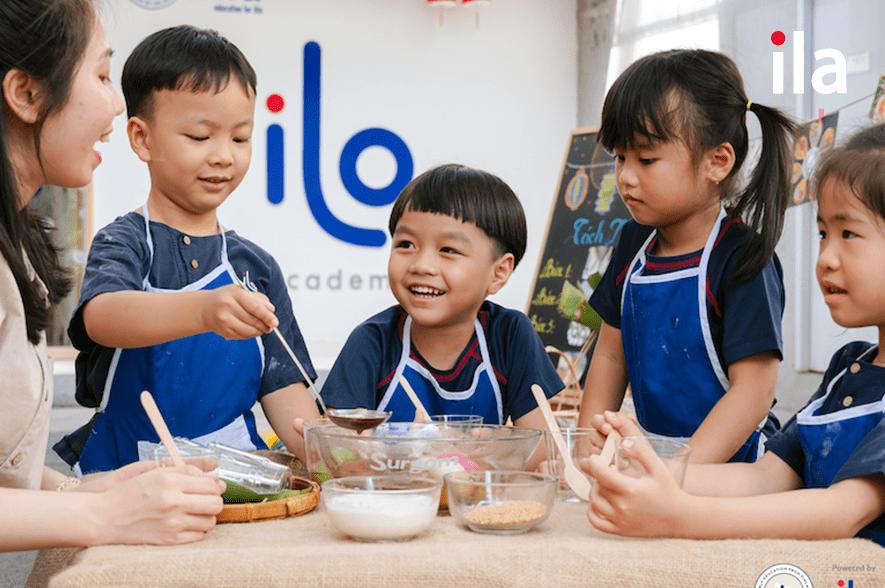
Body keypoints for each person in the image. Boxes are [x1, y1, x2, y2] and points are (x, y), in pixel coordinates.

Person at [586, 124, 885, 544]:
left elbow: (840, 511)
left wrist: (679, 515)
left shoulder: (737, 255)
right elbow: (767, 477)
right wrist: (651, 471)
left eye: (848, 233)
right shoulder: (846, 370)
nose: (825, 258)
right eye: (823, 234)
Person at [1, 0, 224, 551]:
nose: (116, 103)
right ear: (26, 94)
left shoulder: (16, 253)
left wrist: (91, 492)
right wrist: (103, 518)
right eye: (101, 74)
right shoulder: (123, 241)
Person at [54, 25, 320, 474]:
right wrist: (203, 310)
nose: (223, 156)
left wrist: (332, 454)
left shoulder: (255, 268)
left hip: (237, 477)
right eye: (200, 137)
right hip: (126, 475)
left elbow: (284, 389)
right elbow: (102, 317)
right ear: (142, 139)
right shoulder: (127, 242)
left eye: (240, 138)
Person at [577, 49, 796, 463]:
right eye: (620, 158)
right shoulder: (632, 244)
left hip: (738, 470)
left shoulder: (742, 257)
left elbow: (754, 392)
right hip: (659, 461)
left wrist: (682, 473)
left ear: (718, 161)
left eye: (646, 159)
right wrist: (590, 443)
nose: (625, 177)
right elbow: (609, 353)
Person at [318, 164, 563, 427]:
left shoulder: (510, 336)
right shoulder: (372, 343)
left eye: (448, 249)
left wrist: (492, 450)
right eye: (406, 245)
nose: (421, 265)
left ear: (498, 273)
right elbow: (335, 449)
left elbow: (542, 444)